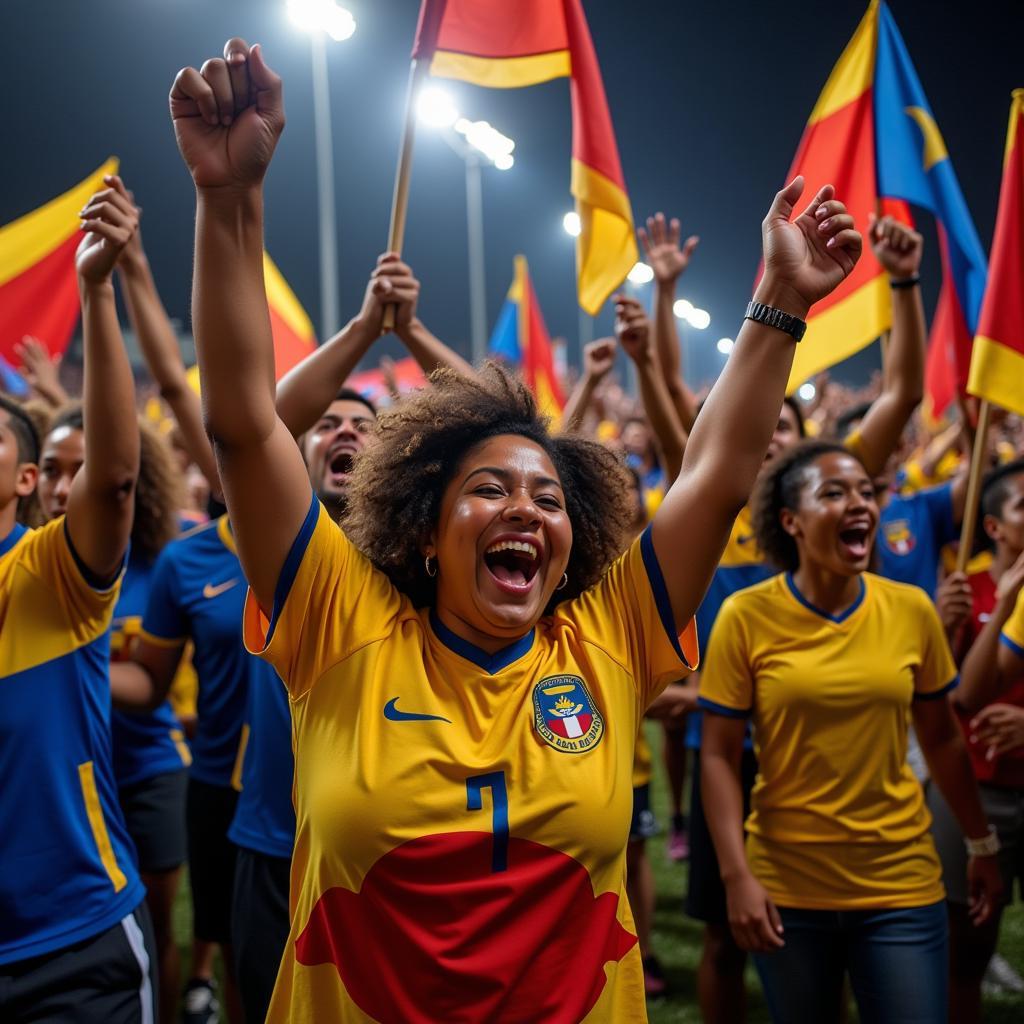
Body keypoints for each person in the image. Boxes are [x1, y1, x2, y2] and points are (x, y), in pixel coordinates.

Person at [169, 36, 863, 1020]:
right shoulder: (338, 627)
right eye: (490, 489)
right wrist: (229, 199)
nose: (525, 512)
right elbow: (241, 417)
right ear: (421, 527)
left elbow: (713, 475)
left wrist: (781, 304)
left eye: (546, 498)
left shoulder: (607, 641)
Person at [681, 211, 928, 1024]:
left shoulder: (847, 516)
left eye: (864, 490)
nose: (762, 440)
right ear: (783, 515)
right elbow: (700, 451)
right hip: (758, 798)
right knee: (725, 936)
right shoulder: (712, 562)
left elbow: (903, 395)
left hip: (874, 852)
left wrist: (900, 284)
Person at [699, 439, 1003, 1023]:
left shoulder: (912, 609)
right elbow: (717, 754)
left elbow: (941, 739)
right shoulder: (747, 616)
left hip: (900, 882)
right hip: (787, 885)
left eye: (866, 491)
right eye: (834, 493)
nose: (859, 503)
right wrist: (737, 876)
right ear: (790, 521)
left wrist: (980, 841)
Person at [0, 177, 156, 1020]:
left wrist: (97, 290)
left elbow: (118, 475)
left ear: (25, 481)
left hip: (73, 944)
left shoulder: (49, 572)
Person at [38, 404, 189, 1024]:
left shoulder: (158, 564)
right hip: (62, 778)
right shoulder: (27, 566)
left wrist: (71, 672)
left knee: (152, 922)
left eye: (84, 468)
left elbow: (153, 685)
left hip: (147, 765)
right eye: (52, 468)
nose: (65, 485)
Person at [933, 460, 1024, 1022]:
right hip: (978, 788)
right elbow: (950, 696)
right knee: (965, 946)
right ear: (994, 527)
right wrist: (947, 624)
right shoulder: (966, 586)